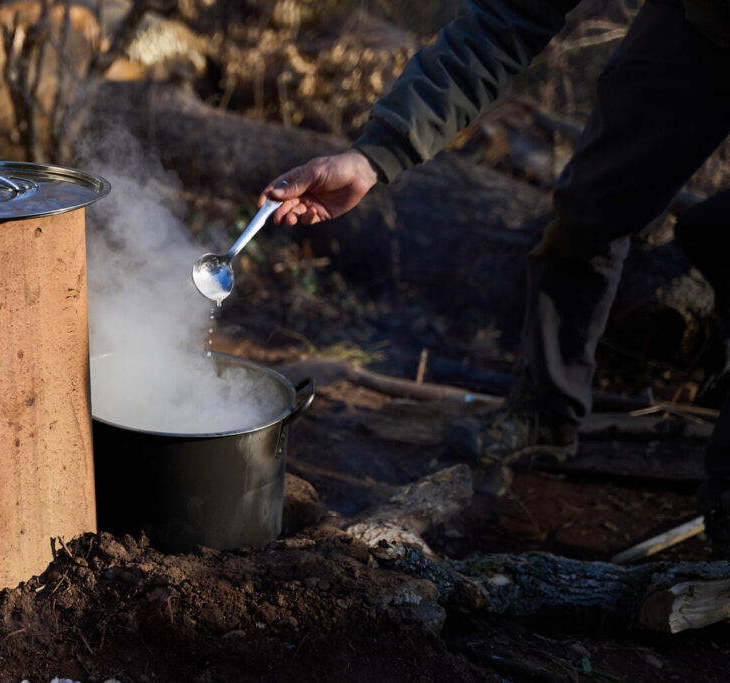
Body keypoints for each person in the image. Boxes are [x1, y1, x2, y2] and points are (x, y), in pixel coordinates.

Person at [259, 0, 730, 556]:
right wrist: (373, 156)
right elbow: (507, 18)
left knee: (712, 231)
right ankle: (547, 413)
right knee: (591, 206)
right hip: (701, 23)